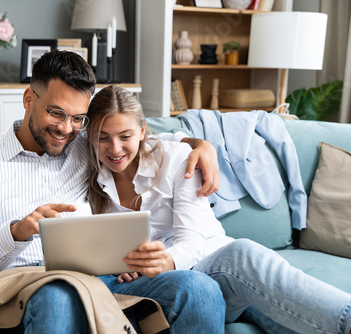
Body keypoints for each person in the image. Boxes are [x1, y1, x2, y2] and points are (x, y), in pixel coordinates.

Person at [0, 50, 226, 333]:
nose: (65, 129)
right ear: (29, 99)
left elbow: (136, 135)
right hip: (24, 283)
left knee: (199, 289)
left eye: (78, 118)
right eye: (56, 113)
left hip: (96, 279)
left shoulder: (85, 144)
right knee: (58, 297)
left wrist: (197, 144)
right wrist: (18, 231)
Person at [86, 85, 351, 334]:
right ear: (89, 136)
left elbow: (193, 240)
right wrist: (117, 265)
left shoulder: (177, 158)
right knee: (242, 258)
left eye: (125, 136)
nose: (115, 149)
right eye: (103, 138)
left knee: (245, 259)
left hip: (211, 265)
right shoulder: (85, 171)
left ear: (143, 131)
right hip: (162, 285)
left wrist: (165, 260)